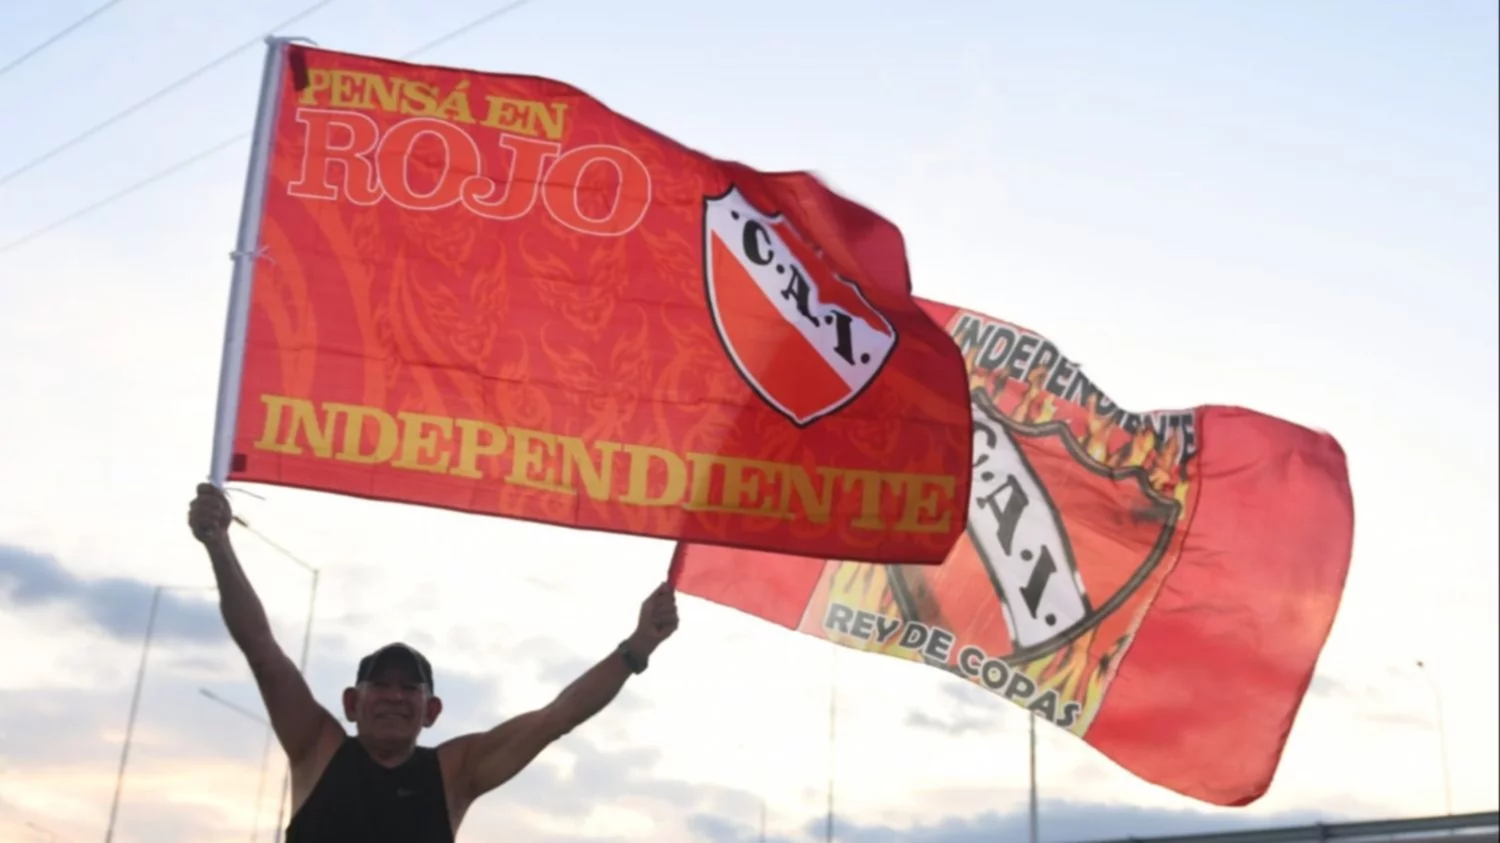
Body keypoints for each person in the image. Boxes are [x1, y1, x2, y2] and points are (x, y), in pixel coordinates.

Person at [186, 483, 679, 842]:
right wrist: (218, 544)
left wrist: (637, 647)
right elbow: (263, 652)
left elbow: (558, 717)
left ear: (432, 711)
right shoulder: (318, 747)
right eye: (381, 685)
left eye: (410, 688)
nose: (396, 697)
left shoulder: (454, 771)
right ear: (353, 703)